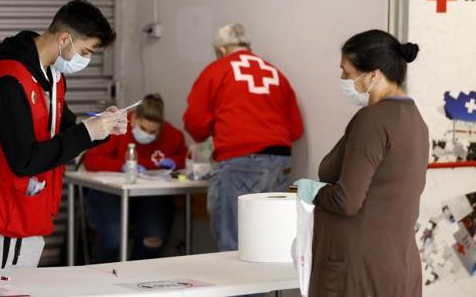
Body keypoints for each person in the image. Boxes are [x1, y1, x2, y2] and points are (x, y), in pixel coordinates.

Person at [0, 0, 126, 269]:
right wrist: (86, 133)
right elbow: (24, 160)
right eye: (86, 51)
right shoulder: (9, 81)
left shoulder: (52, 77)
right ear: (65, 39)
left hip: (29, 206)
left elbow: (67, 129)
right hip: (3, 210)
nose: (86, 60)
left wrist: (103, 127)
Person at [295, 29, 428, 297]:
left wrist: (312, 190)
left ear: (373, 74)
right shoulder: (415, 119)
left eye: (346, 72)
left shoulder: (373, 120)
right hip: (397, 266)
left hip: (358, 272)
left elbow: (347, 200)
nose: (343, 79)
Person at [183, 23, 303, 252]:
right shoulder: (275, 72)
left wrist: (209, 136)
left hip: (239, 164)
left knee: (235, 247)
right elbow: (295, 129)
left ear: (220, 50)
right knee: (266, 245)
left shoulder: (217, 70)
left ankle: (245, 291)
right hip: (280, 163)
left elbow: (195, 122)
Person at [83, 93, 187, 262]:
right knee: (113, 238)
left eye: (153, 132)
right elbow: (91, 160)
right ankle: (104, 275)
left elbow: (184, 157)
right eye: (144, 129)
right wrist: (122, 166)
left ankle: (135, 274)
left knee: (154, 238)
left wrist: (174, 162)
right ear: (135, 118)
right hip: (110, 194)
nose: (147, 134)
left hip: (149, 197)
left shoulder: (172, 134)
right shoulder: (118, 128)